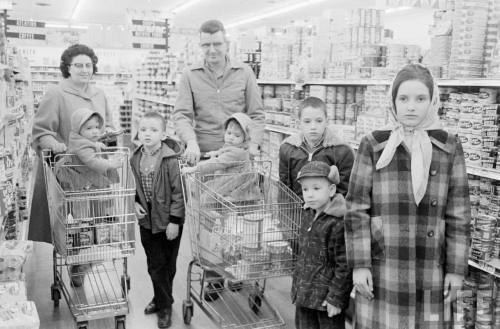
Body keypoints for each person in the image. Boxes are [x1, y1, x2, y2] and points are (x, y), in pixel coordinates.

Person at [344, 64, 471, 329]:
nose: (411, 106)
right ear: (393, 101)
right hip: (383, 265)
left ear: (433, 101)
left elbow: (459, 214)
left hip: (432, 265)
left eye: (420, 99)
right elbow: (356, 208)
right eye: (403, 98)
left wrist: (457, 269)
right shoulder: (374, 144)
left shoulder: (449, 146)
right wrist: (359, 265)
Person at [30, 44, 116, 244]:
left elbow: (108, 125)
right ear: (67, 67)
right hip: (69, 172)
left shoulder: (99, 94)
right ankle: (67, 259)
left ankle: (82, 270)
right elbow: (41, 131)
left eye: (89, 65)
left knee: (95, 224)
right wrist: (55, 144)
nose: (85, 70)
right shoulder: (56, 93)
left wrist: (109, 132)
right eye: (79, 65)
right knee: (68, 224)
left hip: (95, 169)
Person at [173, 19, 265, 164]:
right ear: (200, 46)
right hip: (203, 155)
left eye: (217, 44)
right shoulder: (189, 74)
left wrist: (254, 144)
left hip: (237, 157)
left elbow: (257, 114)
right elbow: (181, 115)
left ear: (226, 44)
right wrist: (190, 142)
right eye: (206, 45)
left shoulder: (244, 72)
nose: (212, 50)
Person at [130, 112, 185, 329]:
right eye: (143, 129)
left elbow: (179, 192)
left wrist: (174, 221)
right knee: (155, 264)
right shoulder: (135, 157)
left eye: (153, 130)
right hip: (147, 219)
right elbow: (131, 185)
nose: (147, 134)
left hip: (169, 219)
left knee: (168, 265)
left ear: (163, 134)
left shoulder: (170, 159)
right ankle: (164, 306)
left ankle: (160, 300)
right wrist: (134, 203)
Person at [292, 161, 352, 329]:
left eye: (316, 188)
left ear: (331, 190)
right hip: (304, 294)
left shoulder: (338, 222)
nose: (310, 194)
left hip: (326, 299)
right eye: (305, 189)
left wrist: (336, 298)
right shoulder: (308, 214)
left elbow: (345, 264)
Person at [279, 97, 354, 198]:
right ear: (298, 123)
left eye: (319, 121)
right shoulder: (287, 148)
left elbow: (344, 190)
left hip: (328, 211)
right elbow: (284, 186)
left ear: (327, 122)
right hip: (297, 210)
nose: (313, 126)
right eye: (307, 121)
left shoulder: (342, 150)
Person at [182, 113, 260, 202]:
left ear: (245, 138)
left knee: (206, 197)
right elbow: (226, 151)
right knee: (205, 190)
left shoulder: (237, 153)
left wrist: (194, 169)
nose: (231, 137)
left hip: (232, 186)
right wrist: (216, 153)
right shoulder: (237, 147)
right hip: (229, 182)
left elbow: (217, 163)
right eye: (229, 133)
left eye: (237, 135)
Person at [56, 108, 122, 191]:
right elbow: (93, 162)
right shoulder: (82, 146)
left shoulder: (78, 140)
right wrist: (110, 164)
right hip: (79, 179)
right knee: (93, 194)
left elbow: (87, 144)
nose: (95, 131)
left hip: (80, 175)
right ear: (78, 130)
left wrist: (96, 144)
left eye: (97, 127)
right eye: (89, 128)